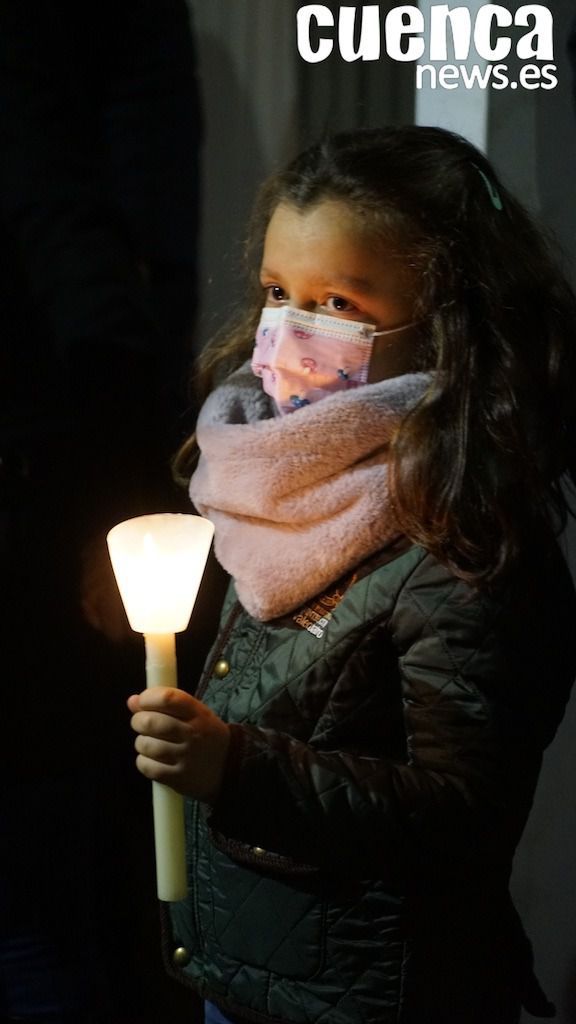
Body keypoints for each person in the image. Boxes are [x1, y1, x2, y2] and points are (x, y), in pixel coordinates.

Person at [127, 126, 576, 1024]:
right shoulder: (280, 482)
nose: (292, 330)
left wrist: (238, 768)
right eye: (277, 292)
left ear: (451, 315)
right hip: (252, 980)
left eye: (339, 301)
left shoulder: (463, 537)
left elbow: (462, 814)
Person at [0, 1, 202, 1020]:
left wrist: (121, 493)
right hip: (61, 455)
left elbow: (95, 229)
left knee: (43, 892)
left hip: (51, 469)